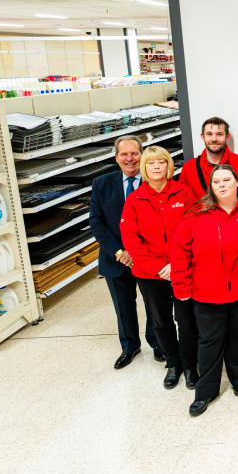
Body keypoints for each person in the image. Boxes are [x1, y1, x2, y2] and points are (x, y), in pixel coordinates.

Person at [171, 164, 238, 417]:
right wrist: (181, 284)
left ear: (236, 183)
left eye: (226, 180)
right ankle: (206, 390)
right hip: (207, 292)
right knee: (209, 342)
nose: (221, 185)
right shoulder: (195, 214)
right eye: (216, 181)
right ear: (211, 186)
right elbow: (180, 253)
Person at [120, 146, 198, 389]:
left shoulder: (184, 193)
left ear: (168, 166)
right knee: (161, 320)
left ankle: (189, 364)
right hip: (150, 274)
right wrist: (158, 267)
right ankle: (173, 363)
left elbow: (195, 229)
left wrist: (176, 264)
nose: (156, 167)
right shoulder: (134, 200)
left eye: (161, 162)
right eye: (151, 163)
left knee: (186, 320)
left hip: (182, 269)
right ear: (144, 168)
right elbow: (131, 239)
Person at [91, 136, 161, 369]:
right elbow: (97, 223)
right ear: (116, 157)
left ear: (143, 155)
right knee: (123, 306)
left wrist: (137, 252)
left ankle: (158, 343)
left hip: (148, 257)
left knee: (154, 304)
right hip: (116, 257)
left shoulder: (154, 181)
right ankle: (130, 346)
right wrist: (120, 251)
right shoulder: (102, 184)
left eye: (135, 153)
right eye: (124, 154)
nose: (130, 159)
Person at [179, 116, 238, 199]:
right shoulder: (188, 168)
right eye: (209, 134)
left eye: (219, 134)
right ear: (202, 137)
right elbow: (183, 201)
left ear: (227, 137)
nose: (214, 139)